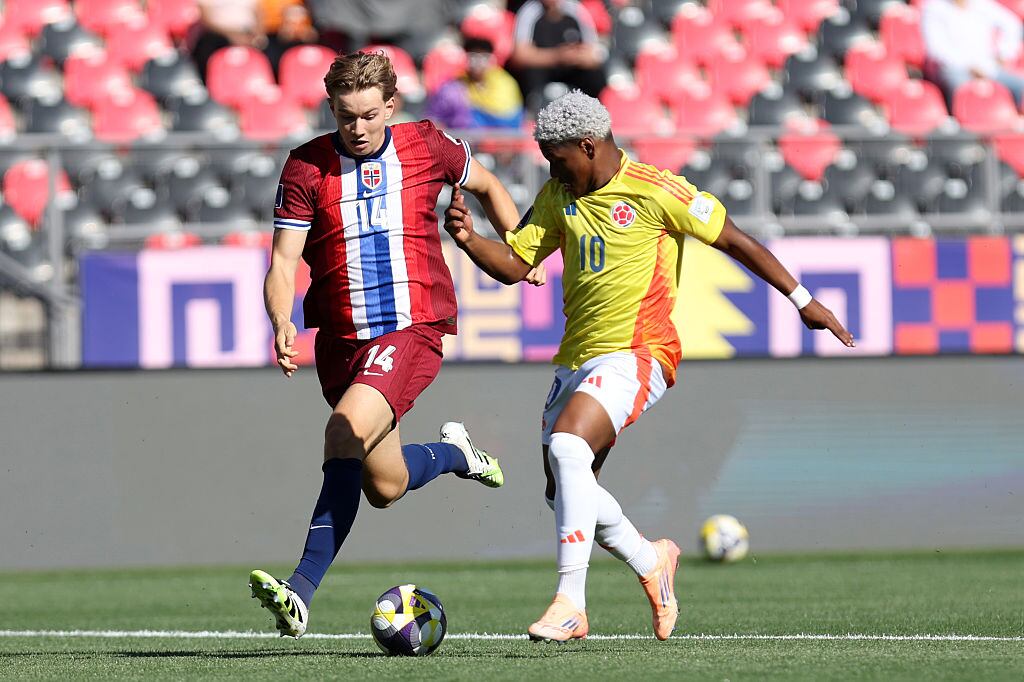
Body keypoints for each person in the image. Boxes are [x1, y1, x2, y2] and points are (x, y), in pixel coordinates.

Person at [444, 91, 854, 642]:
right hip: (576, 358)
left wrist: (803, 300)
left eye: (555, 155)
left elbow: (734, 239)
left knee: (568, 449)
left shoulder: (657, 190)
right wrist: (470, 240)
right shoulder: (558, 195)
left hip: (640, 352)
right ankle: (651, 561)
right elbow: (518, 263)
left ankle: (571, 603)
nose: (549, 165)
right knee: (566, 491)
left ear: (588, 146)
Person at [249, 50, 532, 638]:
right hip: (340, 341)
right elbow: (282, 262)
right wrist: (280, 319)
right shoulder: (306, 167)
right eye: (345, 116)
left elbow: (485, 183)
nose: (357, 129)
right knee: (386, 484)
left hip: (413, 327)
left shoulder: (426, 146)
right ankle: (457, 454)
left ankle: (299, 592)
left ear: (390, 106)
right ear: (331, 108)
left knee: (342, 432)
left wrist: (518, 248)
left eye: (369, 116)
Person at [922, 0, 1024, 108]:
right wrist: (969, 66)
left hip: (987, 67)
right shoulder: (934, 8)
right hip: (954, 69)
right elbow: (936, 50)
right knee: (963, 90)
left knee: (1020, 86)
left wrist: (1004, 53)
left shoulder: (982, 4)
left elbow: (1012, 25)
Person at [510, 0, 607, 110]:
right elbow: (519, 56)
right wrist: (557, 56)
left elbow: (594, 54)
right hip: (543, 70)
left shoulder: (576, 10)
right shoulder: (530, 11)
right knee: (529, 73)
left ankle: (594, 111)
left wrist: (575, 57)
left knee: (595, 75)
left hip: (572, 70)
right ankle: (530, 113)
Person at [425, 37, 525, 129]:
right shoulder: (452, 89)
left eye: (483, 57)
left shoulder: (506, 84)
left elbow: (513, 118)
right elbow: (433, 120)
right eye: (473, 57)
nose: (478, 63)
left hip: (501, 145)